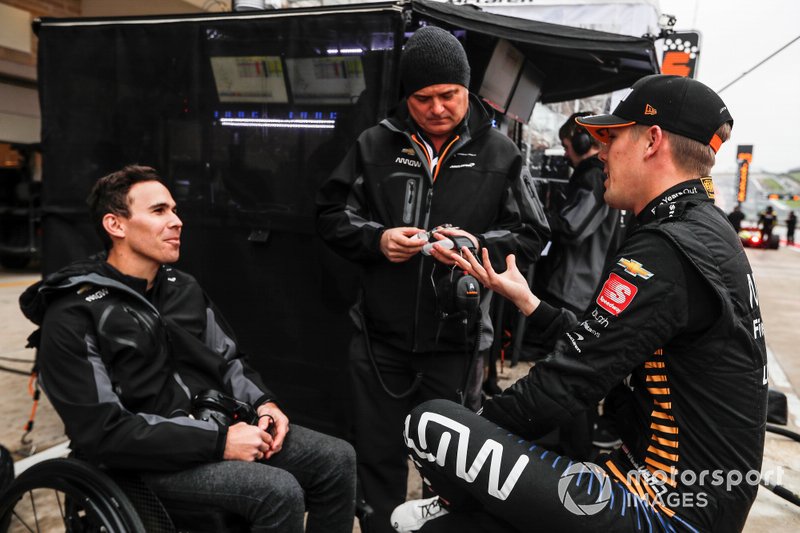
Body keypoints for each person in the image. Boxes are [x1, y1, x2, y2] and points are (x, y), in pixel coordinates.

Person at [394, 74, 767, 533]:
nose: (603, 151)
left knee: (431, 426)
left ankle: (453, 500)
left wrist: (469, 443)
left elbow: (564, 384)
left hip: (668, 511)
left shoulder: (667, 247)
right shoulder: (706, 228)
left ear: (652, 140)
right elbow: (608, 346)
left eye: (612, 137)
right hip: (693, 496)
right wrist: (530, 302)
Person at [19, 165, 356, 533]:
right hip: (141, 461)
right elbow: (103, 432)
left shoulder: (183, 287)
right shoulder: (73, 310)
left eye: (175, 210)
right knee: (277, 491)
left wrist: (265, 405)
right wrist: (219, 442)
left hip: (211, 428)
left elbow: (229, 362)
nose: (177, 221)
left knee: (337, 458)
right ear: (116, 225)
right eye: (159, 211)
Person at [315, 25, 549, 533]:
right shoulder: (374, 143)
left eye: (450, 95)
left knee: (451, 469)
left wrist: (471, 247)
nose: (438, 108)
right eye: (424, 98)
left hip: (458, 344)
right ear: (407, 96)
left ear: (468, 91)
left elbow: (533, 234)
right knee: (376, 460)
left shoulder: (501, 154)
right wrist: (377, 239)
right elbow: (330, 215)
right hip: (379, 342)